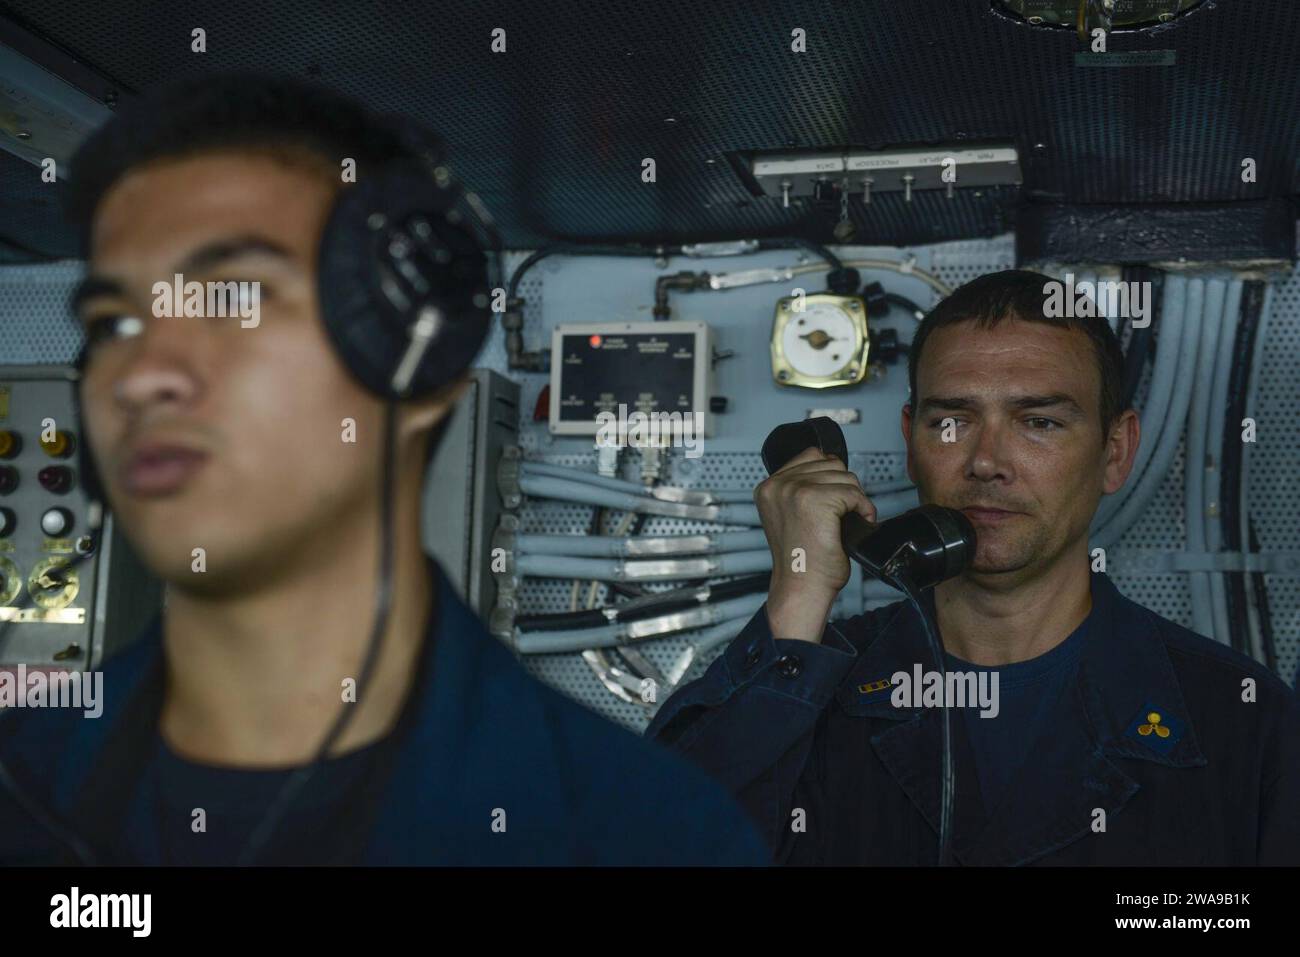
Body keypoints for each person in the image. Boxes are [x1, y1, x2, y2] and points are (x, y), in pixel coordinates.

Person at [0, 72, 768, 866]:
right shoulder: (21, 781)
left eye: (231, 299)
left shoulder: (650, 837)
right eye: (114, 321)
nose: (141, 372)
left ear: (416, 358)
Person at [647, 269, 1300, 865]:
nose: (987, 460)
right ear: (912, 443)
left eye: (1038, 421)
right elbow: (657, 846)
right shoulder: (808, 695)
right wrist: (795, 606)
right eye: (952, 421)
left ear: (1115, 450)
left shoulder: (1246, 722)